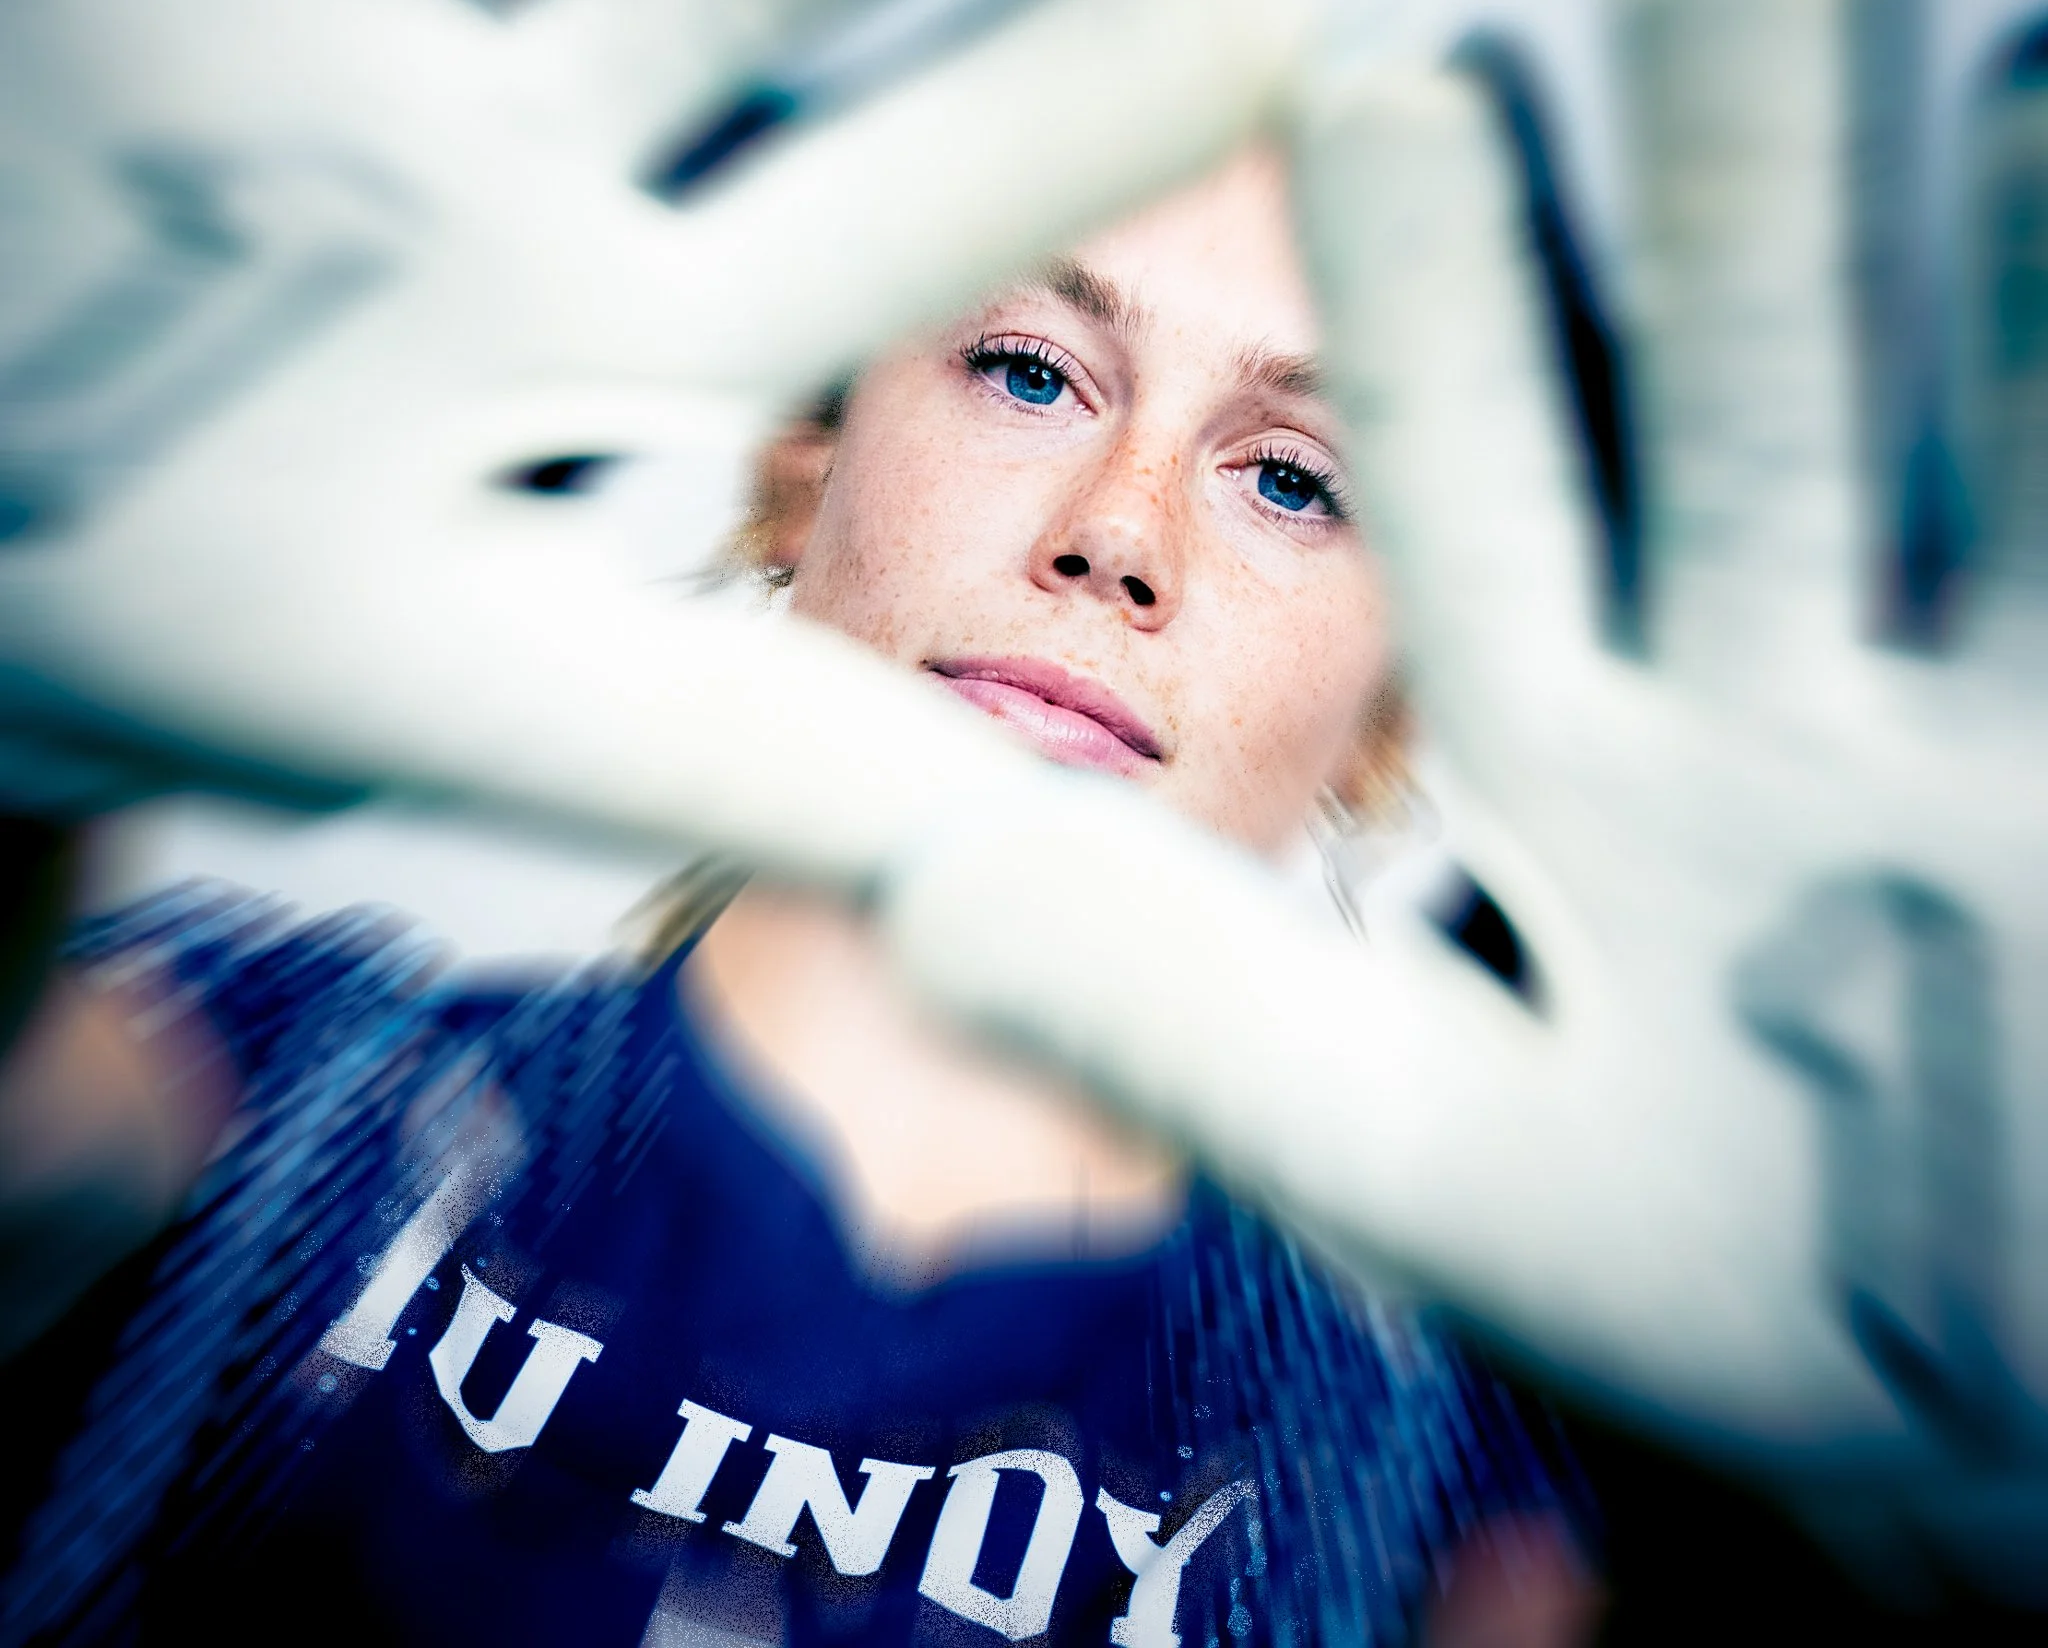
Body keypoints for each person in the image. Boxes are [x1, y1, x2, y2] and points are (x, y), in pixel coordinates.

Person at [0, 143, 1594, 1647]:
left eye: (1296, 481)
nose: (1118, 533)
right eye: (1029, 371)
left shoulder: (1446, 1498)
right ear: (801, 465)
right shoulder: (260, 1082)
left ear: (1388, 713)